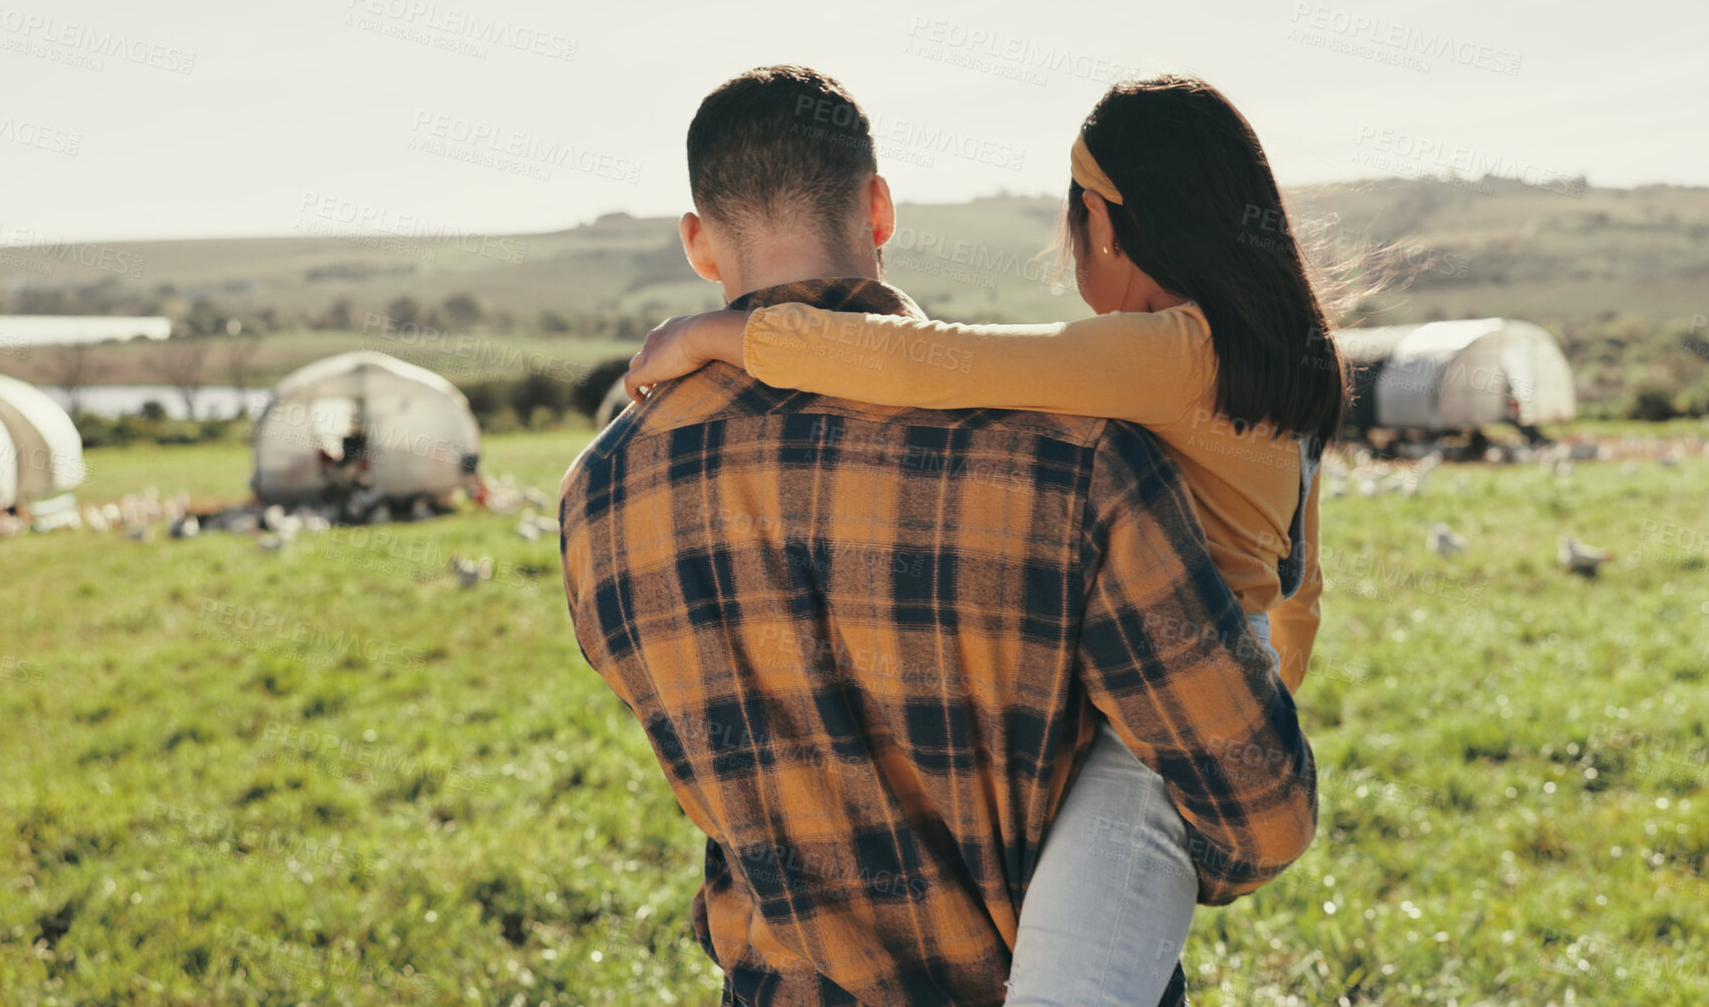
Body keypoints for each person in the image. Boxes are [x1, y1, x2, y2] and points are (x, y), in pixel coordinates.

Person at [559, 65, 1317, 1007]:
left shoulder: (597, 491)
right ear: (879, 209)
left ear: (697, 244)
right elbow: (1257, 807)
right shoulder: (1078, 455)